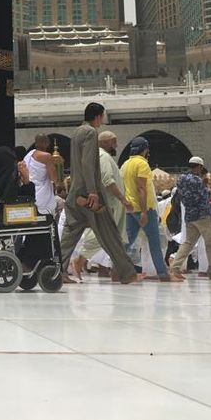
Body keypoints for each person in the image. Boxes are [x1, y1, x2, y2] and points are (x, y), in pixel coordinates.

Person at [59, 103, 138, 284]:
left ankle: (58, 271)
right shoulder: (90, 133)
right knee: (109, 233)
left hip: (75, 193)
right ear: (98, 116)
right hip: (89, 195)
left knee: (69, 235)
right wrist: (93, 191)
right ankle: (127, 273)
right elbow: (88, 163)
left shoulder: (77, 132)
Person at [76, 130, 133, 277]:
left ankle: (118, 272)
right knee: (101, 235)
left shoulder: (101, 156)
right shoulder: (103, 157)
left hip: (113, 205)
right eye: (114, 142)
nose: (116, 145)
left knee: (116, 239)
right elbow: (108, 181)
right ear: (106, 142)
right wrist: (123, 199)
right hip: (110, 205)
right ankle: (79, 261)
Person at [121, 137, 176, 282]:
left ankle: (116, 269)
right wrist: (145, 211)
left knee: (127, 242)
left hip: (130, 208)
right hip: (144, 208)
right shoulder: (142, 164)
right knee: (154, 242)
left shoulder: (125, 164)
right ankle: (163, 274)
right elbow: (141, 189)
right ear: (144, 149)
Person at [170, 156, 211, 280]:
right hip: (202, 215)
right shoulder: (197, 181)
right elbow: (206, 196)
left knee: (188, 242)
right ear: (199, 167)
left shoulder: (181, 179)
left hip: (189, 216)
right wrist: (207, 188)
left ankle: (175, 268)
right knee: (210, 243)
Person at [24, 133, 58, 215]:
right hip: (42, 193)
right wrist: (59, 184)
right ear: (46, 143)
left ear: (36, 143)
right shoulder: (46, 156)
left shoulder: (28, 155)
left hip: (30, 191)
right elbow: (53, 177)